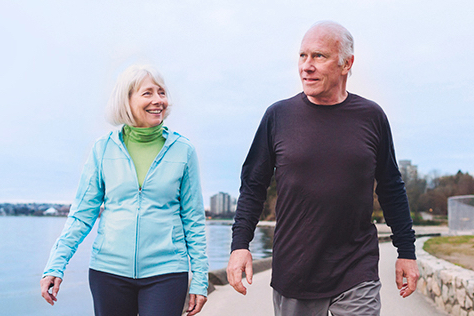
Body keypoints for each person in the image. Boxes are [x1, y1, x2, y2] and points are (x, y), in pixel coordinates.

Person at [227, 21, 420, 316]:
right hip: (295, 272)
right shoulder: (278, 116)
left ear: (347, 63)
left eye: (319, 56)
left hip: (357, 269)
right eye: (302, 56)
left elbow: (392, 186)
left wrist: (406, 252)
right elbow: (253, 185)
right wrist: (240, 245)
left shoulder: (371, 117)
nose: (307, 66)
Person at [40, 64, 208, 316]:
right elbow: (82, 215)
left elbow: (193, 220)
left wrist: (200, 279)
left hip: (166, 273)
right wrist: (56, 264)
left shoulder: (183, 150)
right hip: (108, 273)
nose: (158, 100)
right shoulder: (103, 149)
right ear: (126, 100)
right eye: (147, 93)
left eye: (161, 93)